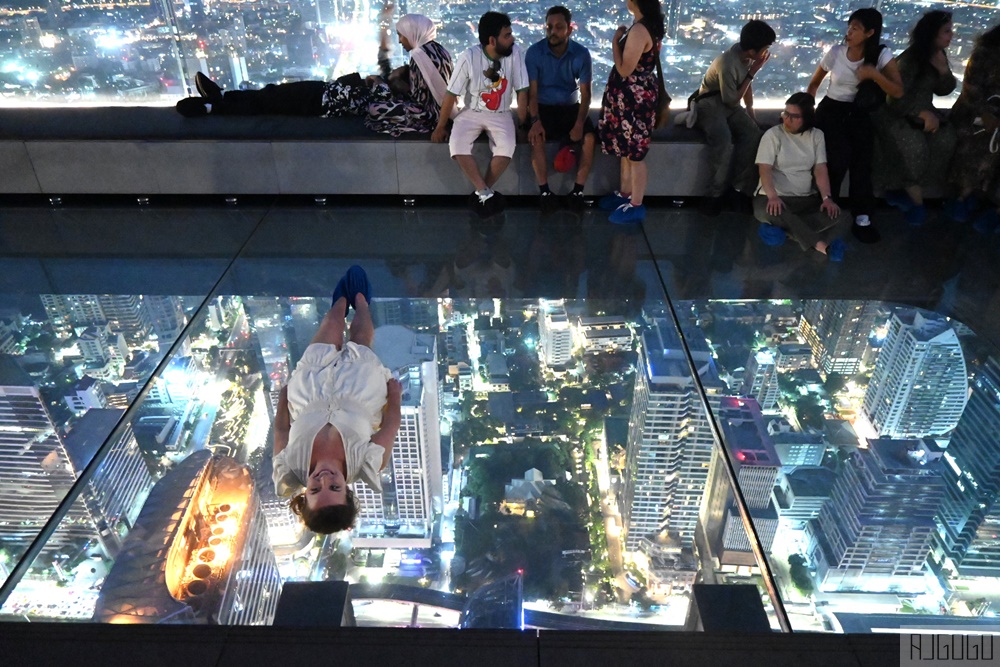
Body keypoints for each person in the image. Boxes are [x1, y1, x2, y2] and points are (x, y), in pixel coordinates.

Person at [175, 7, 453, 137]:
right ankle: (222, 96)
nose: (402, 44)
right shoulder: (424, 60)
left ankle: (213, 106)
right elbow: (386, 59)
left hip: (325, 101)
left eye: (402, 36)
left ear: (402, 85)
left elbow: (386, 107)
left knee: (270, 101)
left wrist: (379, 82)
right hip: (327, 91)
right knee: (271, 95)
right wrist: (383, 24)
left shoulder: (396, 92)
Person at [272, 266, 403, 534]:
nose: (324, 479)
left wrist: (283, 398)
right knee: (362, 338)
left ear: (303, 496)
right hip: (360, 392)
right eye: (335, 488)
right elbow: (390, 429)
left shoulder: (288, 469)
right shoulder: (367, 464)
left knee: (331, 324)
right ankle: (362, 302)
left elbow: (281, 430)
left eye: (314, 489)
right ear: (348, 491)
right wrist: (395, 396)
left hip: (310, 391)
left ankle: (341, 303)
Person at [807, 8, 903, 244]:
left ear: (870, 32)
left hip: (860, 112)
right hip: (832, 110)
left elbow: (898, 90)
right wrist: (808, 110)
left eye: (855, 28)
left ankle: (863, 217)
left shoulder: (881, 55)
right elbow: (815, 82)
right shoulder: (837, 52)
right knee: (835, 162)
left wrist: (873, 75)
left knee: (862, 166)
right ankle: (830, 211)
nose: (849, 32)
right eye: (849, 27)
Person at [432, 12, 529, 216]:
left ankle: (482, 193)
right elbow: (451, 94)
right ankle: (485, 192)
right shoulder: (469, 56)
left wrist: (522, 124)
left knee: (506, 148)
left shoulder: (516, 53)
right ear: (492, 40)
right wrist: (441, 126)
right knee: (457, 143)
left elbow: (522, 91)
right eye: (507, 35)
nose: (512, 39)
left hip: (502, 113)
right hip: (472, 111)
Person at [876, 10, 957, 226]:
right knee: (914, 147)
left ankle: (919, 192)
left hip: (924, 112)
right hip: (898, 115)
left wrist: (943, 70)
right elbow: (894, 99)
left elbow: (944, 90)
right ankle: (915, 201)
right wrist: (918, 113)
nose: (951, 36)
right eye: (947, 31)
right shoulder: (910, 60)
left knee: (946, 140)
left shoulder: (937, 56)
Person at [753, 92, 850, 260]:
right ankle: (821, 247)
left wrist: (827, 198)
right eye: (786, 114)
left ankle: (786, 231)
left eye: (794, 116)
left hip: (804, 198)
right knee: (779, 213)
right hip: (772, 198)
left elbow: (820, 169)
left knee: (838, 215)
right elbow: (765, 169)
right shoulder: (773, 135)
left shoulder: (816, 136)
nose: (787, 119)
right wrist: (773, 196)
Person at [693, 20, 776, 216]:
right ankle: (714, 195)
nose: (765, 53)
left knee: (752, 135)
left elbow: (745, 88)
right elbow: (731, 100)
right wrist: (753, 72)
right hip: (710, 103)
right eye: (764, 48)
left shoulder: (746, 58)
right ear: (752, 51)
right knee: (722, 140)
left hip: (729, 104)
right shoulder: (728, 62)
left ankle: (738, 189)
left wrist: (751, 115)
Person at [596, 0, 666, 224]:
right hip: (631, 98)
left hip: (634, 100)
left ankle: (636, 204)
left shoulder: (639, 30)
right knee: (627, 150)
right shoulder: (648, 25)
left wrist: (615, 43)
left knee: (635, 153)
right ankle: (625, 194)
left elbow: (625, 69)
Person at [526, 6, 597, 212]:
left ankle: (577, 191)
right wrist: (534, 120)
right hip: (544, 107)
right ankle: (545, 192)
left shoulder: (581, 54)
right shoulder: (535, 53)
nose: (552, 32)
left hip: (570, 107)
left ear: (569, 30)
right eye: (549, 27)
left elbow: (587, 95)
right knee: (536, 136)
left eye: (558, 27)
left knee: (590, 138)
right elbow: (532, 92)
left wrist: (579, 123)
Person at [947, 24, 1000, 232]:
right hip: (973, 114)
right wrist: (986, 115)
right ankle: (962, 196)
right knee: (976, 144)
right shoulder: (985, 53)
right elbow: (971, 90)